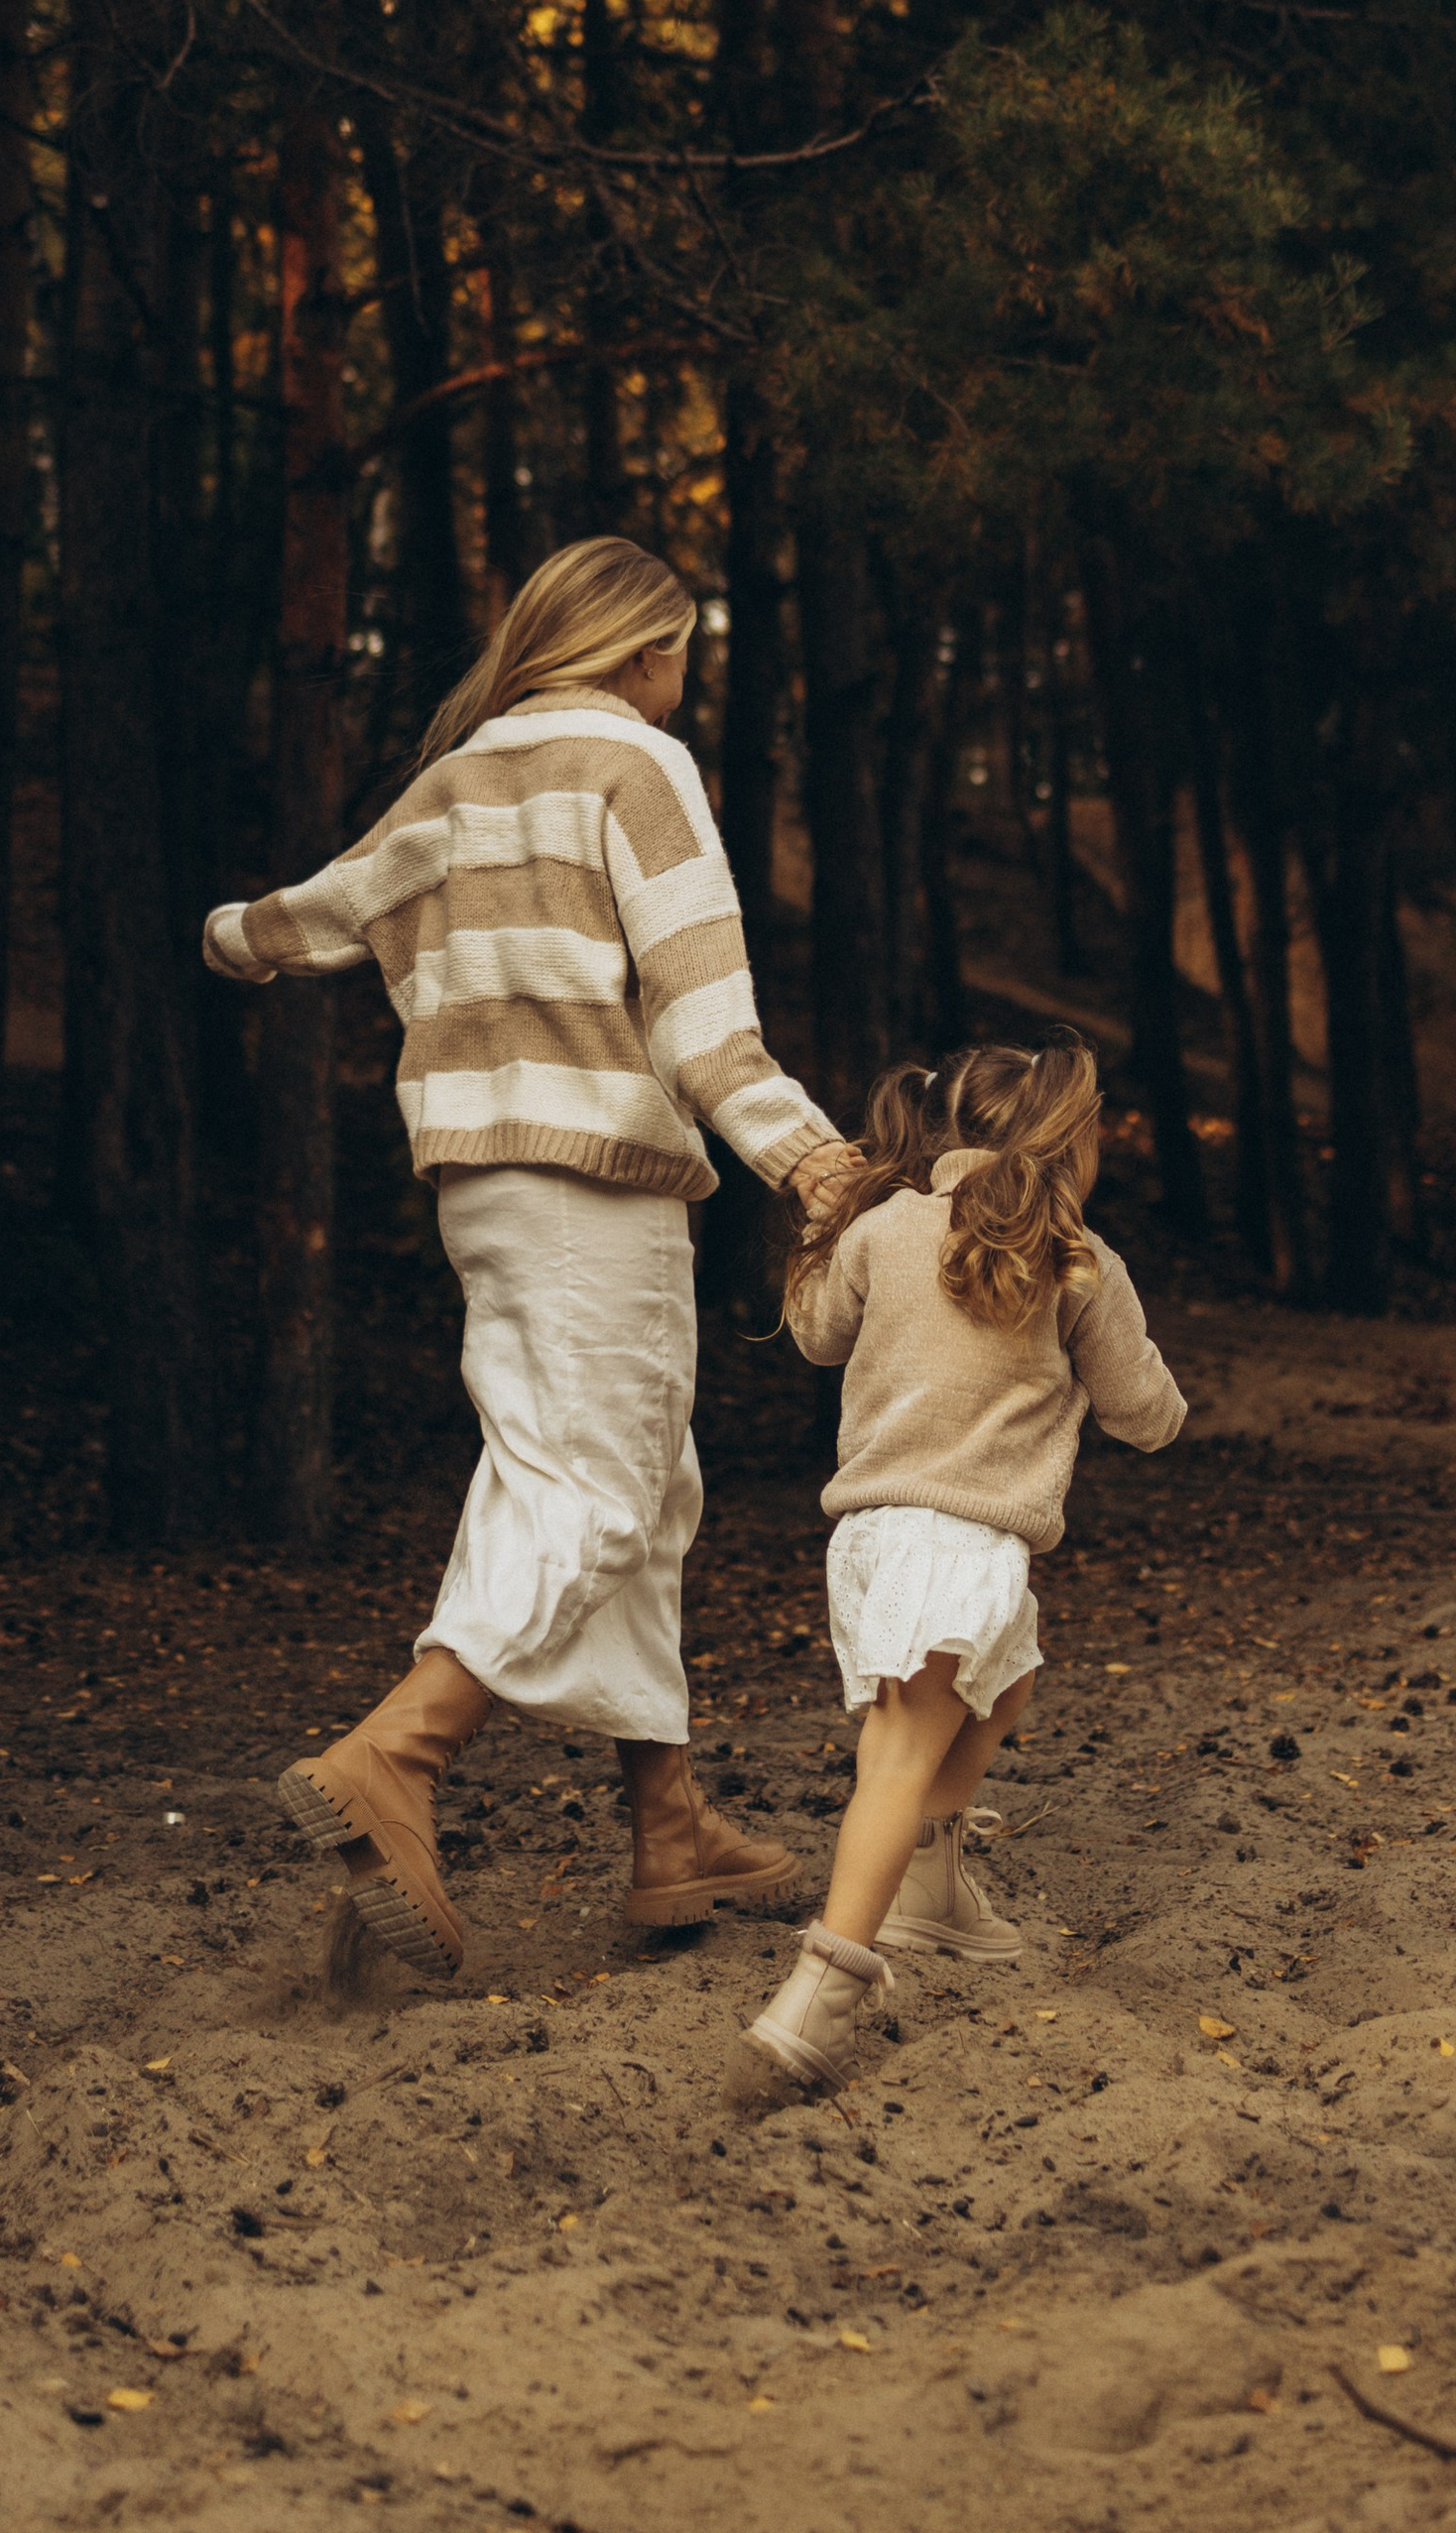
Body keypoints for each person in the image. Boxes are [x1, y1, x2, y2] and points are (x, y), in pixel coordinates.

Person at [203, 535, 852, 1977]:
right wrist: (816, 1161)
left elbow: (315, 914)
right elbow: (702, 1024)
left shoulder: (459, 777)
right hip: (595, 1188)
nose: (684, 678)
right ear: (645, 651)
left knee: (636, 1480)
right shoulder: (637, 767)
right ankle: (402, 1753)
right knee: (596, 1482)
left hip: (481, 1188)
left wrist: (227, 938)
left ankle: (669, 1822)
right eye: (682, 652)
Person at [731, 1036, 1186, 2102]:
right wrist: (1156, 1387)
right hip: (961, 1544)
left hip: (872, 1542)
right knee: (898, 1757)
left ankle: (929, 1881)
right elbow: (1143, 1414)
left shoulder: (884, 1231)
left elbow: (814, 1337)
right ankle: (819, 1992)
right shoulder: (1078, 1258)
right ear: (1068, 1144)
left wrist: (820, 1227)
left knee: (1010, 1674)